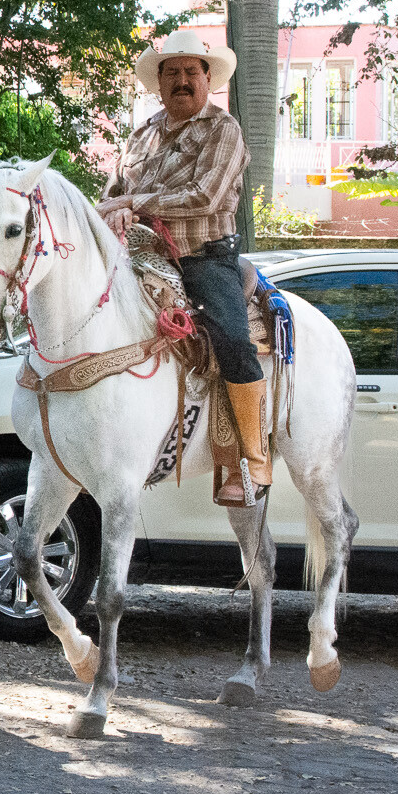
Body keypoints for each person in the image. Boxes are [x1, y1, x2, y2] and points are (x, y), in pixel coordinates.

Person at [97, 28, 266, 507]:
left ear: (209, 79)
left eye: (192, 71)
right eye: (172, 72)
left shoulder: (223, 130)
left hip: (202, 258)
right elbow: (112, 193)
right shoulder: (141, 134)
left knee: (231, 339)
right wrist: (113, 210)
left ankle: (253, 459)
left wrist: (135, 203)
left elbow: (204, 195)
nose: (182, 80)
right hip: (137, 255)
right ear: (159, 82)